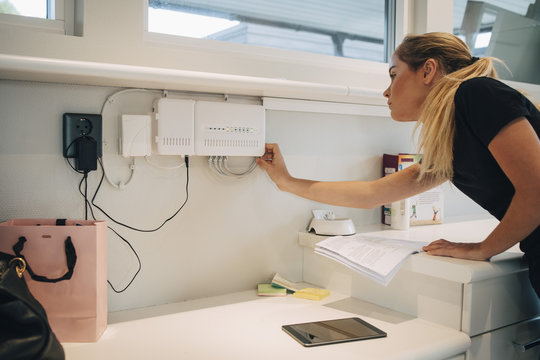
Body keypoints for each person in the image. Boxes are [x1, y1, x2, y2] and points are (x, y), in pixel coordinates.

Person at [256, 32, 540, 298]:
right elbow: (372, 195)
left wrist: (483, 249)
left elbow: (536, 189)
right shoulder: (452, 138)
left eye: (394, 75)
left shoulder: (477, 93)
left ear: (428, 70)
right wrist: (286, 181)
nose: (386, 92)